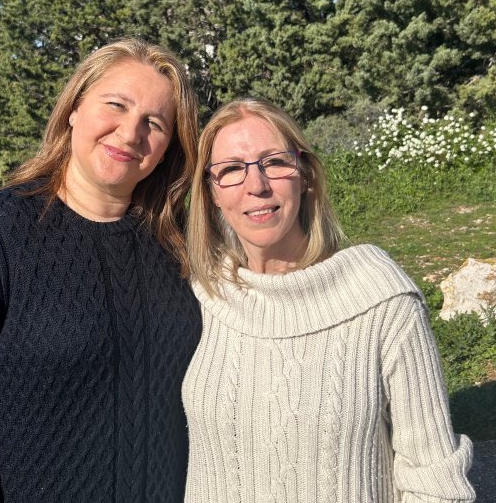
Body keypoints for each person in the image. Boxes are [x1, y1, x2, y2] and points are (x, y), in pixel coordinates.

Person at [0, 39, 202, 502]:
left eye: (154, 123)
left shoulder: (180, 243)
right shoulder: (0, 234)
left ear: (168, 147)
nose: (130, 133)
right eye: (116, 105)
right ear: (74, 109)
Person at [182, 99, 475, 503]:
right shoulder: (201, 292)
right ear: (211, 193)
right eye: (231, 169)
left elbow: (436, 480)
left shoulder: (380, 298)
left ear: (305, 176)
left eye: (275, 162)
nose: (257, 185)